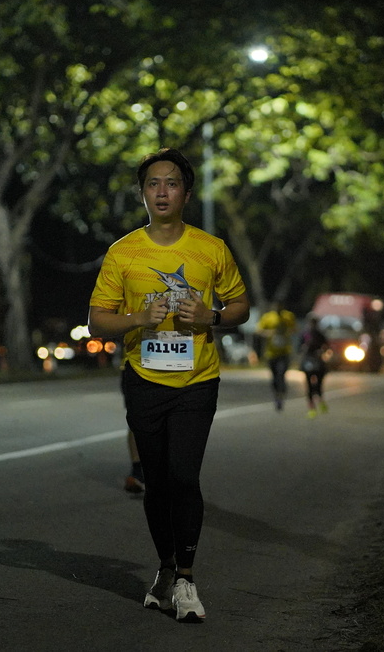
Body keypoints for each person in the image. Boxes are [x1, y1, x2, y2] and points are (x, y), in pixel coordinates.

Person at [88, 148, 249, 623]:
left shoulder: (211, 248)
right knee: (156, 483)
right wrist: (139, 318)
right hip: (144, 379)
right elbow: (97, 321)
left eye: (172, 183)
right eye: (153, 184)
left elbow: (240, 307)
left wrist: (211, 316)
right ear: (142, 194)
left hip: (197, 381)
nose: (162, 191)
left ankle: (186, 578)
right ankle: (165, 568)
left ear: (186, 193)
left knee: (183, 476)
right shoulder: (123, 252)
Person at [256, 301, 296, 411]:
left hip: (284, 352)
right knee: (274, 376)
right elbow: (259, 330)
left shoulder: (288, 316)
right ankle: (276, 394)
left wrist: (286, 332)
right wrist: (270, 333)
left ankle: (281, 392)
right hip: (271, 353)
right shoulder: (268, 317)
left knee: (281, 373)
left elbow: (294, 329)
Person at [297, 316, 329, 418]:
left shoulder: (320, 334)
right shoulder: (304, 334)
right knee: (309, 385)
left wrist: (321, 351)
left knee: (318, 384)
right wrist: (303, 349)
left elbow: (327, 346)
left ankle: (320, 400)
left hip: (318, 360)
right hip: (308, 361)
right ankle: (311, 407)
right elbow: (298, 347)